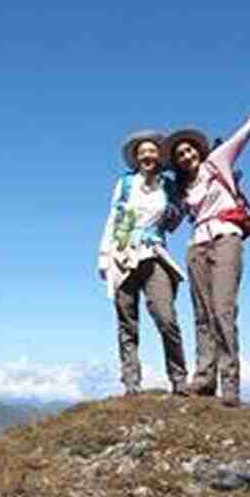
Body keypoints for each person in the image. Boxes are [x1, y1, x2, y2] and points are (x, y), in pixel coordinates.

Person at [166, 70, 250, 407]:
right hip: (196, 246)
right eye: (180, 155)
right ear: (177, 163)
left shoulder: (217, 161)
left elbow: (248, 130)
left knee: (223, 309)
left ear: (199, 149)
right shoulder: (182, 189)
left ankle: (230, 383)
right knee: (202, 313)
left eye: (190, 151)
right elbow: (171, 221)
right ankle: (204, 379)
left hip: (225, 238)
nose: (187, 157)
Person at [97, 130, 189, 396]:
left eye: (152, 151)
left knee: (166, 317)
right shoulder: (125, 184)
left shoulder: (168, 186)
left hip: (154, 252)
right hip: (122, 254)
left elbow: (173, 223)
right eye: (142, 153)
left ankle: (179, 379)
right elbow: (114, 218)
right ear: (136, 159)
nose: (147, 156)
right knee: (127, 321)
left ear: (159, 156)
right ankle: (131, 383)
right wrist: (104, 256)